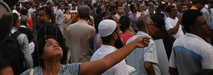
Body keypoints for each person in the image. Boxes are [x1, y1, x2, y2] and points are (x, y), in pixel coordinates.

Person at [20, 34, 150, 75]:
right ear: (41, 55)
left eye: (57, 43)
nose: (55, 45)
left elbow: (106, 62)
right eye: (49, 44)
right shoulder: (30, 74)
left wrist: (133, 45)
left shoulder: (71, 70)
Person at [169, 10, 213, 75]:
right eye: (203, 24)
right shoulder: (207, 49)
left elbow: (172, 69)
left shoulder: (177, 42)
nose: (208, 26)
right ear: (193, 28)